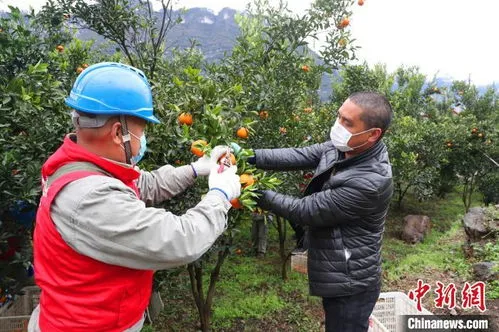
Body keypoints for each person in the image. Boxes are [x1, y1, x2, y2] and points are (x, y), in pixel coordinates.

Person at [28, 62, 240, 332]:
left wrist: (197, 169)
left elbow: (144, 184)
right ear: (118, 133)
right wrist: (220, 195)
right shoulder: (89, 197)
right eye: (142, 130)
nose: (143, 138)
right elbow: (180, 241)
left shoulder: (82, 165)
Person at [248, 92, 393, 332]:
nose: (338, 126)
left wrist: (255, 191)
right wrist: (250, 155)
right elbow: (300, 155)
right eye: (339, 117)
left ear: (372, 134)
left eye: (348, 122)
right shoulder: (345, 148)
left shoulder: (371, 182)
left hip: (351, 281)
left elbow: (306, 210)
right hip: (338, 267)